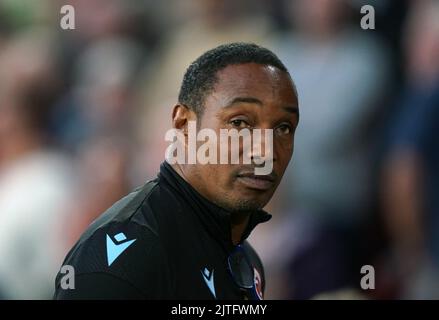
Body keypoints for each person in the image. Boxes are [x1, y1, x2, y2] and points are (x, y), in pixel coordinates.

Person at [54, 42, 299, 299]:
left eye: (283, 127)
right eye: (239, 123)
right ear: (184, 125)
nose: (265, 152)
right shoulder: (123, 263)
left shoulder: (245, 258)